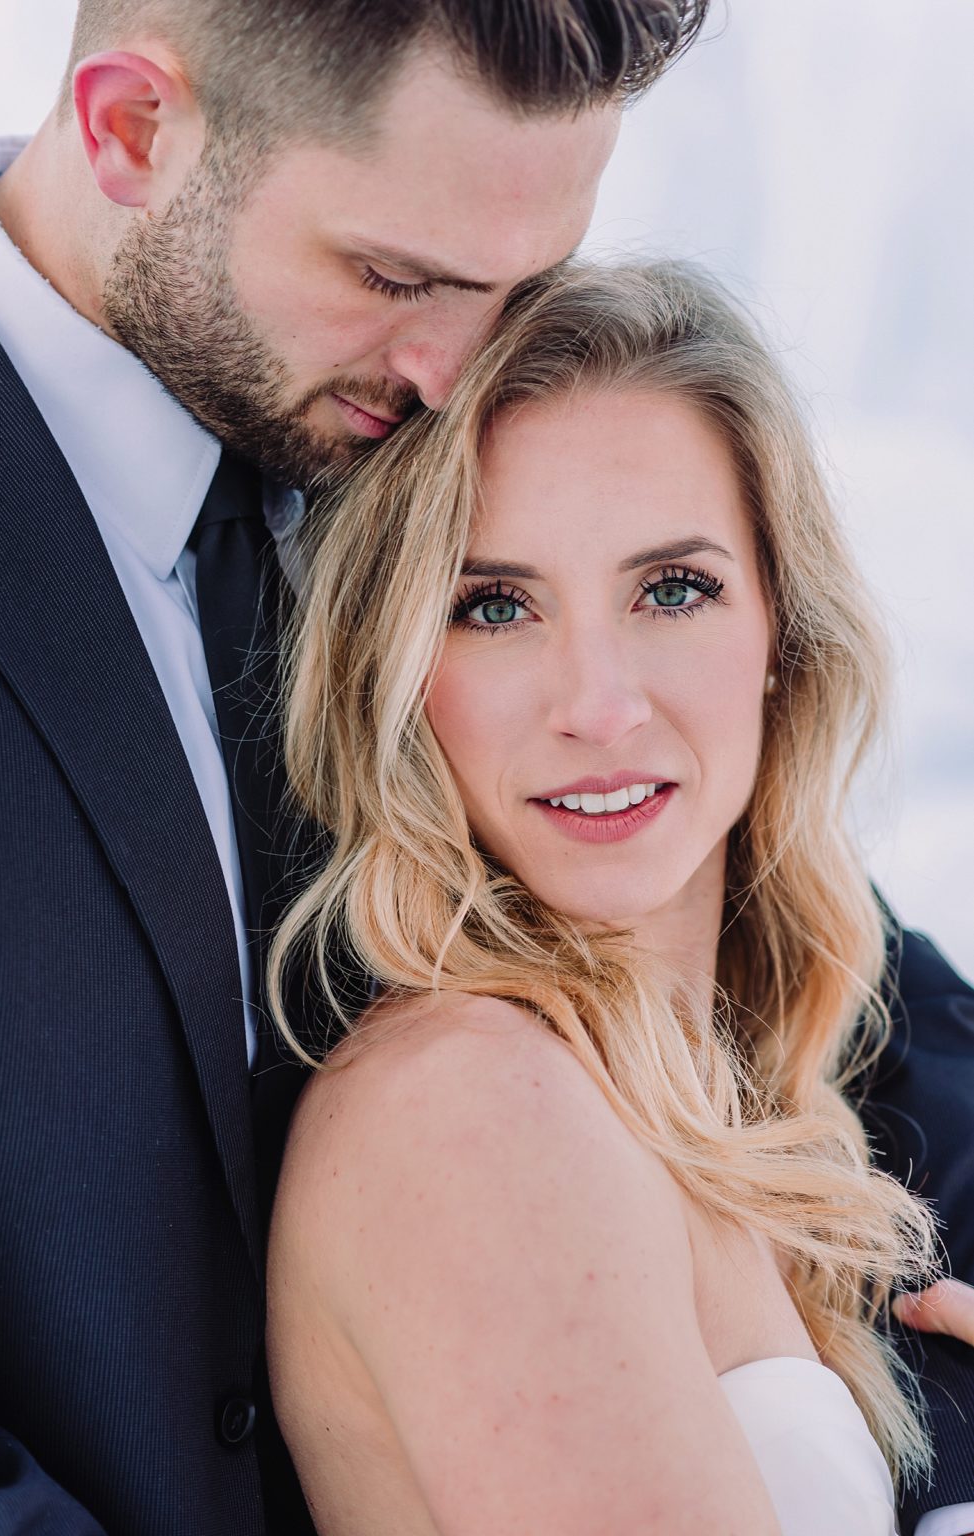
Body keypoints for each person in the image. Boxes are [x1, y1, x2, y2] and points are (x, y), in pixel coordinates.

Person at [0, 4, 712, 1533]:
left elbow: (789, 941)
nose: (450, 377)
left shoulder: (419, 444)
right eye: (390, 278)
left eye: (521, 286)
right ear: (130, 129)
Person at [265, 261, 974, 1534]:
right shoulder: (464, 1107)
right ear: (398, 673)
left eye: (671, 590)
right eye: (492, 606)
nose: (595, 705)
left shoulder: (722, 1098)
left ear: (779, 636)